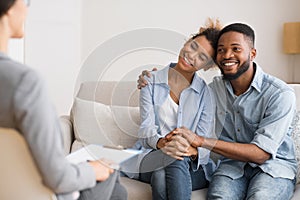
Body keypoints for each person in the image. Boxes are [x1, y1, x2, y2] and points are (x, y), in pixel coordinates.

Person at [139, 23, 297, 199]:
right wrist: (154, 79)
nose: (227, 55)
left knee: (260, 197)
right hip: (232, 167)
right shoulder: (214, 90)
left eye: (235, 48)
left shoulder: (280, 93)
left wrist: (198, 143)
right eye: (221, 50)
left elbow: (261, 154)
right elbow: (150, 125)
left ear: (252, 53)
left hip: (272, 167)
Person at [0, 1, 127, 200]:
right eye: (26, 2)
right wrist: (94, 170)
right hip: (44, 193)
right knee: (110, 171)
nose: (27, 8)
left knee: (118, 190)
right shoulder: (23, 83)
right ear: (8, 7)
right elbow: (58, 179)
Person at [130, 19, 221, 200]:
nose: (192, 55)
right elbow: (146, 129)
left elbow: (205, 140)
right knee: (170, 156)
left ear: (207, 66)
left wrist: (192, 151)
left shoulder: (206, 94)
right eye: (193, 46)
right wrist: (162, 143)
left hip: (190, 165)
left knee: (162, 176)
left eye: (202, 57)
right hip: (151, 157)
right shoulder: (150, 81)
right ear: (187, 42)